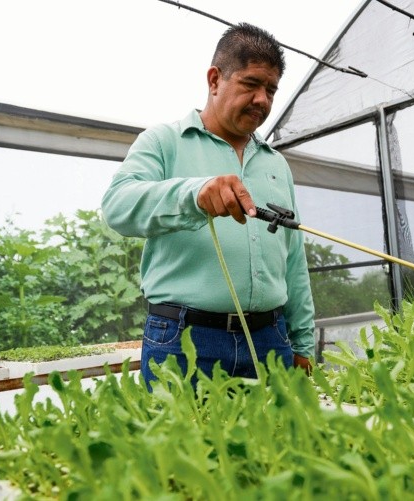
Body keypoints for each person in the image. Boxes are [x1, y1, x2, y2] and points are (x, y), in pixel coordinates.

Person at [101, 22, 315, 387]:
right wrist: (194, 194)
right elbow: (117, 207)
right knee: (183, 428)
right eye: (251, 84)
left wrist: (303, 342)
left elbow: (292, 258)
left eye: (271, 90)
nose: (262, 100)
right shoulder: (164, 142)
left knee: (275, 427)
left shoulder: (275, 163)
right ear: (215, 80)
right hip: (184, 341)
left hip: (271, 340)